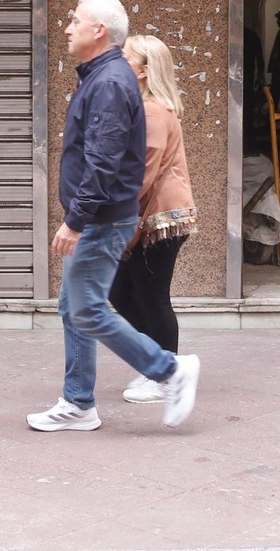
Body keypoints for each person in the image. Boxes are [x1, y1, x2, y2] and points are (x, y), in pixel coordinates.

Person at [27, 0, 201, 433]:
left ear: (99, 30)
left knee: (87, 310)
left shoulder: (108, 83)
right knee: (75, 307)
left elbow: (103, 163)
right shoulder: (104, 77)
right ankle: (79, 403)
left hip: (101, 217)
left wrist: (75, 220)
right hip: (101, 215)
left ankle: (169, 369)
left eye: (75, 20)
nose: (67, 28)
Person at [110, 35, 198, 404]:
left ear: (144, 71)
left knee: (151, 296)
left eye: (125, 57)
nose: (117, 62)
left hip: (159, 218)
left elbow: (140, 175)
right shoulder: (147, 108)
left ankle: (167, 374)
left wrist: (118, 221)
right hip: (153, 216)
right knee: (121, 292)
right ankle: (157, 363)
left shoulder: (151, 112)